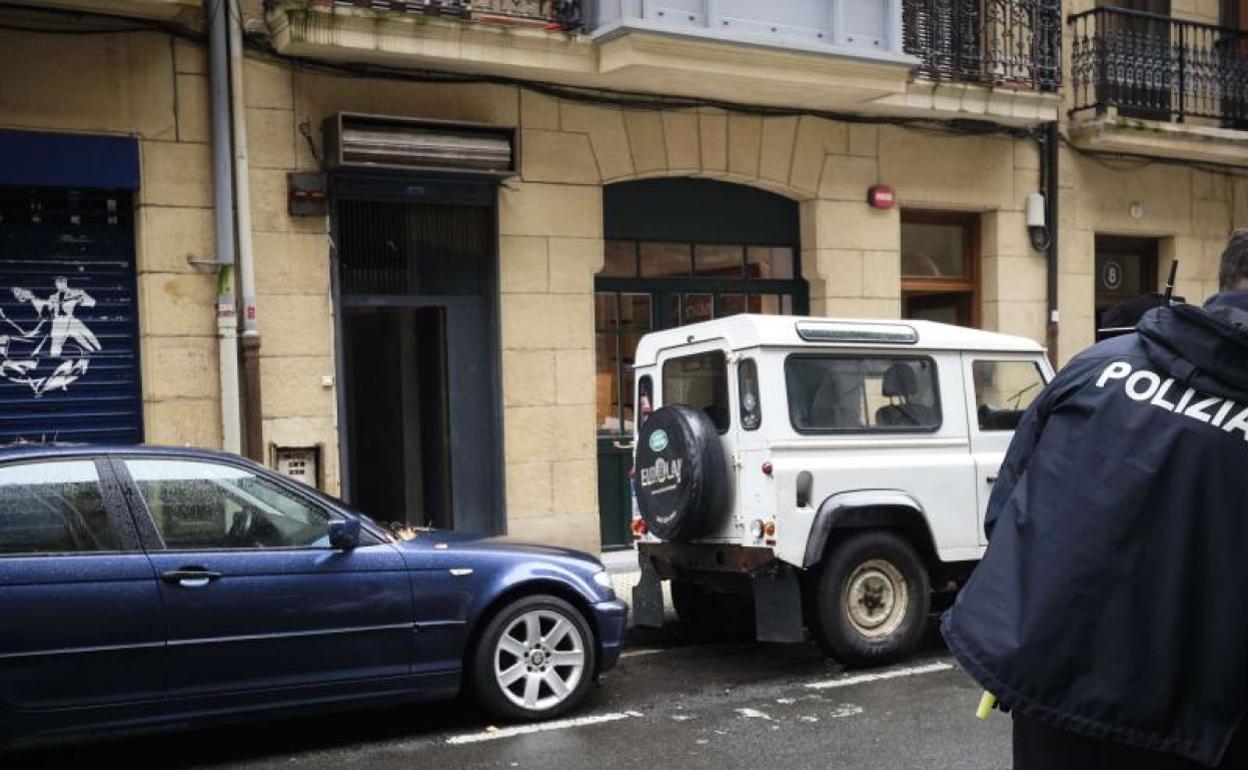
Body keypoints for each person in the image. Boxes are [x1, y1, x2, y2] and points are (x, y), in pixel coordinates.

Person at [942, 228, 1248, 769]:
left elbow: (1005, 514)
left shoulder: (1096, 365)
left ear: (1224, 280)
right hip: (1192, 723)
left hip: (1052, 688)